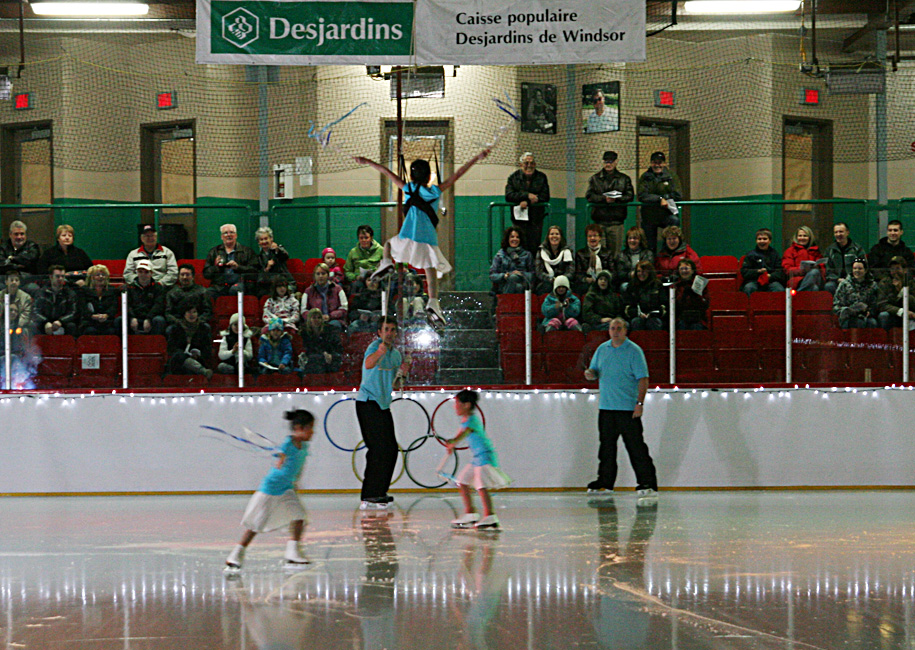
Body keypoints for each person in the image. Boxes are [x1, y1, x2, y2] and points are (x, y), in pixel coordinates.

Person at [355, 146, 491, 328]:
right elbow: (458, 174)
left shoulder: (408, 187)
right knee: (430, 268)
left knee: (387, 245)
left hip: (408, 234)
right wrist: (477, 157)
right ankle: (433, 301)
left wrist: (367, 161)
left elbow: (386, 172)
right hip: (427, 237)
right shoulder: (435, 191)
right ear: (428, 176)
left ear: (412, 176)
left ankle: (387, 263)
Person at [224, 409, 314, 570]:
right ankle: (235, 554)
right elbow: (280, 456)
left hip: (287, 489)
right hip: (271, 489)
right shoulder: (288, 444)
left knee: (299, 517)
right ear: (298, 428)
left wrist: (295, 482)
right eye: (309, 428)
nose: (312, 432)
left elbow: (298, 466)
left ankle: (292, 553)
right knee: (255, 525)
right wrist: (279, 459)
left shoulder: (304, 446)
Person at [583, 317, 658, 499]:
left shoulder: (634, 351)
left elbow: (643, 379)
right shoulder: (602, 349)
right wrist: (590, 374)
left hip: (627, 409)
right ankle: (605, 481)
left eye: (618, 328)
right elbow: (594, 371)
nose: (615, 331)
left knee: (636, 447)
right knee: (606, 447)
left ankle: (647, 482)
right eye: (612, 328)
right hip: (606, 408)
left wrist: (639, 404)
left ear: (625, 331)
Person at [355, 316, 411, 510]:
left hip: (383, 405)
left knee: (391, 449)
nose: (389, 333)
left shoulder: (395, 355)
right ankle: (369, 493)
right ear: (379, 332)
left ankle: (379, 492)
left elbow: (393, 384)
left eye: (392, 329)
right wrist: (379, 352)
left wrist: (402, 372)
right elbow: (368, 364)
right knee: (378, 449)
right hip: (368, 402)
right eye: (386, 329)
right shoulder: (374, 347)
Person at [446, 390, 511, 530]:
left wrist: (454, 441)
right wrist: (452, 444)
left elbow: (465, 432)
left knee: (481, 486)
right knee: (462, 481)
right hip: (477, 458)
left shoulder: (472, 420)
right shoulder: (464, 420)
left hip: (485, 456)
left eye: (457, 403)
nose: (454, 406)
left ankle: (490, 516)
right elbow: (460, 433)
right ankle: (470, 513)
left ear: (467, 405)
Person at [585, 151, 634, 254]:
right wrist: (604, 199)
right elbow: (589, 196)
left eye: (611, 161)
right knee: (599, 253)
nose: (608, 164)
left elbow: (630, 196)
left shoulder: (624, 179)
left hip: (617, 222)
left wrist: (617, 199)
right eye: (606, 161)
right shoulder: (595, 179)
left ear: (616, 162)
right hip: (599, 222)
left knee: (615, 254)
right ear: (603, 162)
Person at [504, 152, 550, 255]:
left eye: (532, 163)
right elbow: (509, 195)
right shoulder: (513, 177)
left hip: (536, 219)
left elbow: (546, 196)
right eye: (526, 163)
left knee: (534, 246)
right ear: (521, 165)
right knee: (518, 245)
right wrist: (526, 195)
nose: (529, 166)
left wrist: (528, 201)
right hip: (518, 220)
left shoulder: (541, 177)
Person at [637, 152, 682, 254]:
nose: (657, 165)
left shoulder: (672, 176)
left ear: (664, 163)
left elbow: (678, 195)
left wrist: (666, 198)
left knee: (673, 224)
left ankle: (668, 258)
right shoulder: (645, 177)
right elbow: (642, 195)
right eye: (654, 162)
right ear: (651, 163)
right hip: (649, 216)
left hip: (667, 214)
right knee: (649, 247)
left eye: (659, 162)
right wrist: (659, 199)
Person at [203, 223, 258, 299]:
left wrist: (238, 267)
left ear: (236, 235)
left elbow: (255, 271)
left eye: (231, 232)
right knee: (207, 293)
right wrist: (216, 266)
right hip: (220, 285)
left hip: (239, 283)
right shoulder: (214, 252)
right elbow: (206, 274)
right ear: (222, 237)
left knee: (235, 289)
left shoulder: (247, 251)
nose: (229, 235)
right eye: (225, 233)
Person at [166, 302, 213, 378]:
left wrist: (198, 354)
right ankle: (203, 371)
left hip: (199, 359)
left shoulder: (203, 328)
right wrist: (185, 355)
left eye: (194, 312)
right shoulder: (176, 328)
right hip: (179, 362)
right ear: (184, 314)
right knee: (179, 356)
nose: (192, 315)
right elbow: (171, 348)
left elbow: (207, 348)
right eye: (189, 312)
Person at [123, 259, 167, 336]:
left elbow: (158, 305)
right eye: (140, 272)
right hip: (135, 317)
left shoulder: (158, 288)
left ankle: (156, 345)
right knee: (120, 320)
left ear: (151, 273)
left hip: (151, 317)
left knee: (159, 320)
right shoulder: (129, 288)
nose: (143, 275)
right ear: (137, 273)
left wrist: (149, 318)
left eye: (146, 272)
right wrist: (132, 317)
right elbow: (127, 305)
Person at [301, 262, 348, 332]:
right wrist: (315, 318)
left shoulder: (338, 289)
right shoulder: (308, 291)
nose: (320, 276)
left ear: (328, 275)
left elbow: (344, 308)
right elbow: (303, 311)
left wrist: (330, 316)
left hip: (333, 320)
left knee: (333, 326)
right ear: (314, 276)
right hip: (314, 322)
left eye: (323, 273)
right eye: (318, 274)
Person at [165, 263, 212, 333]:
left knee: (206, 327)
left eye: (187, 274)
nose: (184, 277)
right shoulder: (172, 293)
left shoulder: (203, 292)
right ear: (178, 277)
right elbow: (168, 313)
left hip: (198, 323)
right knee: (169, 330)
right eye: (182, 275)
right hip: (178, 324)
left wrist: (196, 322)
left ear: (193, 277)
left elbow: (208, 311)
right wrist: (180, 323)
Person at [33, 265, 79, 337]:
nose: (60, 279)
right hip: (45, 322)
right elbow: (35, 311)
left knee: (72, 326)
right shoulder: (41, 293)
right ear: (51, 277)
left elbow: (73, 312)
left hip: (63, 322)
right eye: (57, 276)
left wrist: (61, 321)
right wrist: (45, 322)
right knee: (33, 325)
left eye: (62, 276)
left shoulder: (70, 293)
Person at [833, 258, 879, 329]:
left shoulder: (873, 285)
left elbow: (875, 303)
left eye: (860, 269)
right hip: (848, 317)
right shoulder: (844, 284)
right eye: (855, 268)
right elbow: (836, 305)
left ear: (865, 270)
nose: (857, 271)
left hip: (866, 317)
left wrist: (870, 311)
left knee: (872, 323)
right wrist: (846, 310)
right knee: (858, 322)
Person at [740, 228, 787, 296]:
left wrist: (770, 276)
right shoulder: (750, 255)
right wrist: (757, 271)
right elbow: (744, 272)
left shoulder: (775, 254)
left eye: (765, 239)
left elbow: (780, 271)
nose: (762, 241)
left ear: (770, 241)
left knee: (779, 289)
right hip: (754, 281)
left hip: (771, 281)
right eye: (759, 239)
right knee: (749, 288)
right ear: (756, 240)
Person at [824, 222, 866, 295]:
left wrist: (852, 279)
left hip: (854, 280)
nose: (838, 234)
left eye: (841, 232)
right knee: (828, 286)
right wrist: (837, 279)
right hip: (836, 281)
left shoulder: (857, 249)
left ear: (847, 232)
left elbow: (864, 266)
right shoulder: (830, 250)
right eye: (836, 232)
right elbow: (828, 269)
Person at [298, 308, 343, 375]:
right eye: (314, 318)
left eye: (319, 318)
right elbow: (308, 348)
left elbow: (337, 346)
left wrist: (331, 355)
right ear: (309, 320)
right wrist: (323, 353)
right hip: (313, 358)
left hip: (328, 357)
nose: (317, 320)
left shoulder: (329, 330)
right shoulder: (304, 332)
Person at [78, 264, 120, 336]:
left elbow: (114, 307)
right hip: (89, 322)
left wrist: (106, 315)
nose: (101, 277)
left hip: (107, 322)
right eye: (97, 275)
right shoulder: (83, 290)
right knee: (90, 331)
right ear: (91, 278)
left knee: (112, 331)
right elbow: (82, 308)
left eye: (103, 275)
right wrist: (93, 316)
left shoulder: (112, 290)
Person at [253, 226, 295, 297]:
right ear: (258, 243)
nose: (264, 242)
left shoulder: (278, 251)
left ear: (271, 239)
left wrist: (277, 249)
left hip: (284, 283)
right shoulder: (258, 258)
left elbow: (285, 256)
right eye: (261, 240)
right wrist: (267, 268)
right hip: (269, 286)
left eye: (266, 239)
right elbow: (260, 278)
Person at [574, 223, 615, 296]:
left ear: (600, 238)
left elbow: (613, 272)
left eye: (595, 236)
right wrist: (586, 279)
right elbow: (578, 274)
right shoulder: (580, 253)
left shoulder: (608, 253)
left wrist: (604, 278)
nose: (592, 238)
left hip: (604, 282)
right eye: (590, 236)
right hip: (587, 283)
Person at [624, 260, 666, 331]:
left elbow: (663, 304)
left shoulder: (657, 285)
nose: (641, 274)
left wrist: (652, 314)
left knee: (654, 322)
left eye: (644, 271)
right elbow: (627, 306)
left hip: (654, 316)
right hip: (637, 316)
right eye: (639, 271)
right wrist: (637, 313)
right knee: (636, 322)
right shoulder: (632, 285)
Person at [490, 227, 533, 295]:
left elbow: (532, 274)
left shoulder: (527, 255)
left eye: (517, 237)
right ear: (508, 239)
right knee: (513, 279)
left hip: (522, 284)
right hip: (504, 286)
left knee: (517, 282)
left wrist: (521, 274)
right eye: (512, 237)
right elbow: (492, 275)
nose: (515, 239)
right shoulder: (500, 255)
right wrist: (505, 276)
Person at [533, 225, 574, 295]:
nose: (554, 236)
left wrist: (560, 280)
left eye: (557, 234)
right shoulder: (541, 252)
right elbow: (538, 271)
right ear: (548, 237)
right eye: (552, 234)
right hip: (546, 282)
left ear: (561, 237)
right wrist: (551, 280)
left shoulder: (568, 252)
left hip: (564, 282)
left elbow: (571, 270)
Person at [876, 256, 915, 330]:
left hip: (910, 315)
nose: (895, 271)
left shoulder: (911, 282)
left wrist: (902, 291)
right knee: (883, 315)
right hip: (893, 314)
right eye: (892, 269)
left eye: (897, 268)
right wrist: (901, 312)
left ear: (905, 270)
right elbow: (882, 304)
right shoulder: (884, 283)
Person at [782, 226, 823, 292]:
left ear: (809, 238)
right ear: (796, 237)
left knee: (815, 272)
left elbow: (822, 267)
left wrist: (817, 266)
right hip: (797, 281)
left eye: (805, 236)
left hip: (815, 279)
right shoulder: (790, 251)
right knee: (814, 288)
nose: (802, 238)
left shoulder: (816, 251)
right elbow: (787, 269)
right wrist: (802, 270)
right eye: (800, 236)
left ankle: (799, 294)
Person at [614, 226, 654, 292]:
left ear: (640, 240)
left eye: (635, 238)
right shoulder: (621, 255)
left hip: (644, 281)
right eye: (630, 238)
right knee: (624, 286)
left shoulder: (648, 254)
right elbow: (620, 274)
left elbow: (649, 271)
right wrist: (631, 274)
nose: (632, 240)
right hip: (628, 282)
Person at [673, 259, 709, 330]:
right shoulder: (676, 285)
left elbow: (705, 303)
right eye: (681, 269)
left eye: (686, 268)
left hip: (698, 318)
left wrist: (695, 296)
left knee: (696, 327)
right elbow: (675, 304)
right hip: (681, 317)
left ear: (692, 271)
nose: (684, 271)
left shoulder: (699, 283)